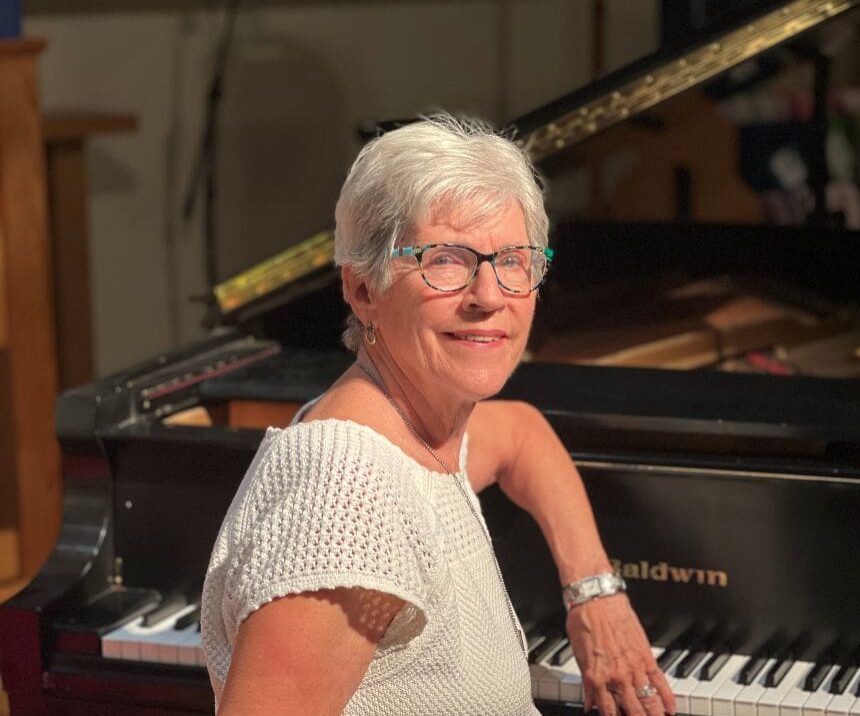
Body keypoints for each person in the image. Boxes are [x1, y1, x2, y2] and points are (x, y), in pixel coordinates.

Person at [201, 114, 674, 716]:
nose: (489, 295)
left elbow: (522, 433)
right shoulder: (344, 490)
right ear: (363, 290)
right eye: (445, 260)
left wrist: (594, 594)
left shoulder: (419, 424)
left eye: (514, 260)